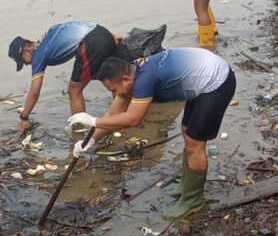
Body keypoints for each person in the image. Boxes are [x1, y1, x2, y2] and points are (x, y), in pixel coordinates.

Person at [68, 49, 237, 218]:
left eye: (114, 90)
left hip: (216, 81)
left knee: (195, 143)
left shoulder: (144, 80)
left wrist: (94, 121)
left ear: (125, 80)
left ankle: (193, 200)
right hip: (199, 77)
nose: (114, 94)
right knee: (186, 130)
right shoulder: (131, 76)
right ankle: (186, 185)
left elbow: (133, 119)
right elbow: (112, 114)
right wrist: (89, 142)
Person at [8, 22, 123, 130]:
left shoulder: (38, 55)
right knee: (113, 77)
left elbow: (35, 91)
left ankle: (79, 129)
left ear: (27, 51)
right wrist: (111, 36)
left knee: (74, 90)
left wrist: (24, 117)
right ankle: (120, 114)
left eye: (23, 60)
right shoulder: (51, 32)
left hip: (91, 45)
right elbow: (85, 24)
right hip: (103, 33)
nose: (26, 64)